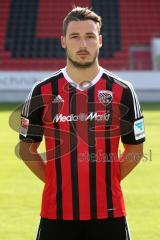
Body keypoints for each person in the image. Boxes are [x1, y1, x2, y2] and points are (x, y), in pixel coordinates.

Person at [19, 6, 145, 240]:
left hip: (109, 213)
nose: (83, 44)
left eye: (89, 36)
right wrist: (57, 180)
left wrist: (107, 179)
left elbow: (135, 149)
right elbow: (27, 148)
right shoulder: (42, 91)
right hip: (56, 213)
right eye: (75, 36)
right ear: (63, 41)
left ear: (100, 40)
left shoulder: (122, 91)